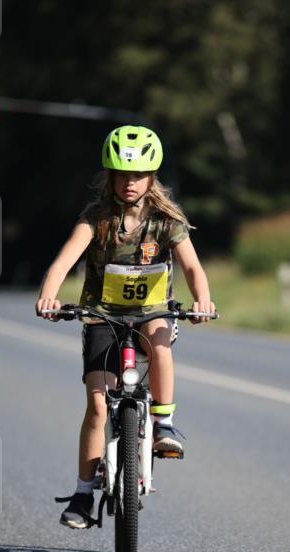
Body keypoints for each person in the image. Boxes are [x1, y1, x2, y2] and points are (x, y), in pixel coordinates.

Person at [36, 125, 215, 529]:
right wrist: (49, 294)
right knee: (98, 404)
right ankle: (83, 495)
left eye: (137, 175)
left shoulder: (166, 221)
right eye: (121, 174)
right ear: (110, 176)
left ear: (151, 178)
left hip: (151, 312)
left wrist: (203, 299)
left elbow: (192, 267)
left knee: (160, 341)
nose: (129, 182)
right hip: (103, 314)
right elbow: (65, 260)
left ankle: (163, 424)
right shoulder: (96, 219)